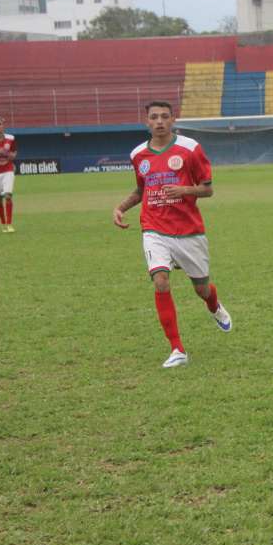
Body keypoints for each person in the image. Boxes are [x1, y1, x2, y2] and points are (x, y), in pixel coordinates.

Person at [113, 101, 232, 368]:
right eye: (154, 117)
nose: (159, 122)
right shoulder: (138, 155)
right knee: (161, 282)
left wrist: (185, 191)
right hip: (154, 228)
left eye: (164, 117)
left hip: (189, 231)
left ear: (173, 120)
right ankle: (177, 349)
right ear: (146, 122)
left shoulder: (190, 149)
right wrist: (121, 208)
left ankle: (214, 305)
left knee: (201, 289)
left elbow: (207, 189)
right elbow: (140, 190)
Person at [0, 115, 18, 233]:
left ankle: (9, 224)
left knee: (8, 196)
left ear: (3, 126)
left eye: (0, 124)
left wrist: (10, 156)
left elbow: (14, 153)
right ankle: (3, 224)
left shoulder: (11, 138)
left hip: (8, 170)